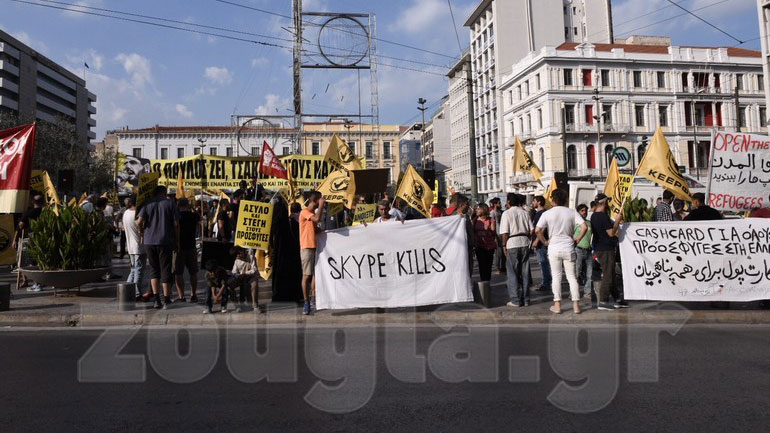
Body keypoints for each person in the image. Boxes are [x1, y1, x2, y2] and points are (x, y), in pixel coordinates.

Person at [536, 189, 587, 314]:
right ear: (565, 199)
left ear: (553, 199)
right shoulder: (571, 212)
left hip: (554, 247)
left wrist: (545, 242)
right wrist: (577, 239)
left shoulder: (547, 213)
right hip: (569, 246)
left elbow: (537, 230)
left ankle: (557, 305)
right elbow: (584, 226)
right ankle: (576, 305)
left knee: (556, 277)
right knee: (572, 277)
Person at [136, 185, 180, 310]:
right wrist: (177, 241)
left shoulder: (147, 203)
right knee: (166, 269)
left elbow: (139, 222)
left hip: (149, 241)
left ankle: (156, 300)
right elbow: (176, 224)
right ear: (164, 192)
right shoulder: (170, 203)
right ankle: (166, 299)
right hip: (165, 240)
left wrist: (142, 232)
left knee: (154, 270)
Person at [590, 193, 625, 311]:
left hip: (600, 248)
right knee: (608, 275)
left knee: (610, 274)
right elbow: (611, 233)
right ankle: (603, 301)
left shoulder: (593, 216)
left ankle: (617, 299)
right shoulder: (603, 216)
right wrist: (617, 222)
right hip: (606, 249)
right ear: (605, 202)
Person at [499, 193, 533, 307]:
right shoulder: (525, 213)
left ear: (508, 202)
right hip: (524, 242)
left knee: (512, 272)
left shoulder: (506, 213)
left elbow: (504, 232)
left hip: (512, 243)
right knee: (525, 271)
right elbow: (531, 230)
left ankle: (515, 299)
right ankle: (526, 299)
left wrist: (503, 246)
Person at [300, 191, 325, 315]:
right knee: (307, 276)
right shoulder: (305, 212)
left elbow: (317, 229)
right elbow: (317, 218)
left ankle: (313, 299)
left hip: (315, 247)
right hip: (307, 247)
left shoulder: (311, 214)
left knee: (315, 274)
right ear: (314, 201)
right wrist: (321, 206)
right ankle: (306, 301)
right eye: (319, 201)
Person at [14, 194, 44, 291]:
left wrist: (14, 239)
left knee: (27, 261)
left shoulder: (29, 213)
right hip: (43, 239)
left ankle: (36, 283)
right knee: (38, 260)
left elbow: (20, 227)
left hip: (30, 239)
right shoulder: (46, 212)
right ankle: (37, 282)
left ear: (33, 202)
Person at [173, 198, 200, 303]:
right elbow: (200, 217)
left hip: (179, 247)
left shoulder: (177, 216)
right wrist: (192, 207)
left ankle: (182, 296)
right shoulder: (193, 216)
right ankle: (193, 294)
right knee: (193, 272)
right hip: (191, 247)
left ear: (178, 205)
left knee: (178, 273)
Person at [122, 197, 148, 300]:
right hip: (139, 247)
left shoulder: (126, 213)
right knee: (138, 271)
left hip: (131, 247)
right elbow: (140, 227)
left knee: (133, 270)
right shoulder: (137, 215)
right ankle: (137, 293)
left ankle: (126, 291)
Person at [530, 195, 552, 292]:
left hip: (541, 243)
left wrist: (536, 240)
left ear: (538, 202)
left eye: (534, 201)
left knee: (543, 263)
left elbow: (542, 228)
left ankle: (546, 283)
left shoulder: (541, 214)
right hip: (542, 242)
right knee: (544, 263)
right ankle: (547, 281)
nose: (532, 203)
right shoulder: (540, 213)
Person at [230, 246, 258, 312]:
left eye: (239, 254)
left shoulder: (250, 256)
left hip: (250, 276)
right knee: (229, 286)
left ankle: (255, 306)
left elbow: (254, 269)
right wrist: (238, 275)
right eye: (236, 255)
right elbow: (234, 272)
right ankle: (237, 306)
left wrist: (245, 273)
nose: (238, 256)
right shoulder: (237, 261)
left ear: (242, 251)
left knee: (254, 285)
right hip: (240, 277)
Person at [473, 203, 497, 282]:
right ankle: (483, 282)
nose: (477, 210)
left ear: (484, 209)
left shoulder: (491, 220)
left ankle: (487, 281)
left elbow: (494, 232)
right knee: (481, 265)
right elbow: (473, 232)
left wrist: (488, 228)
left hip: (489, 247)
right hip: (479, 246)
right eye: (476, 209)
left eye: (479, 209)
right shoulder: (475, 220)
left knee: (488, 265)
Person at [575, 204, 593, 298]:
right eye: (582, 210)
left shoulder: (589, 223)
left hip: (588, 251)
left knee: (589, 274)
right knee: (576, 273)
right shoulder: (575, 223)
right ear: (578, 212)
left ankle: (587, 293)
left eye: (585, 210)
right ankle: (574, 293)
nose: (584, 212)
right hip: (578, 250)